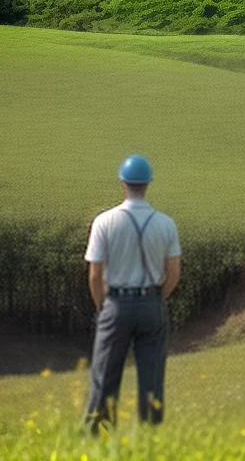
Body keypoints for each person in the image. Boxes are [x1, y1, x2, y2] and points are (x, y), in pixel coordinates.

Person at [84, 154, 182, 432]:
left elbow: (94, 274)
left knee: (105, 373)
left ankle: (98, 432)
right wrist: (158, 297)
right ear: (147, 184)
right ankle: (150, 435)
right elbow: (174, 272)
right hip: (152, 304)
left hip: (116, 303)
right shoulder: (166, 224)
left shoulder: (104, 222)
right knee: (152, 375)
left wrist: (103, 306)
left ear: (123, 183)